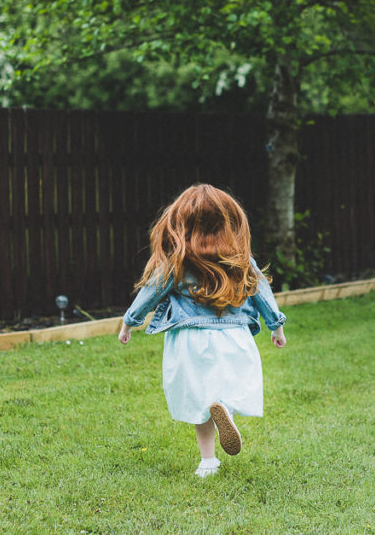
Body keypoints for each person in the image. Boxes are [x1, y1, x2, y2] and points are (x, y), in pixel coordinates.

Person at [118, 184, 287, 478]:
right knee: (230, 385)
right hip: (234, 337)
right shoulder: (242, 259)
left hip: (189, 337)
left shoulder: (177, 262)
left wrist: (130, 320)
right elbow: (262, 292)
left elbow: (151, 292)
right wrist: (276, 326)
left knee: (199, 399)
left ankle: (207, 461)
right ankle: (226, 409)